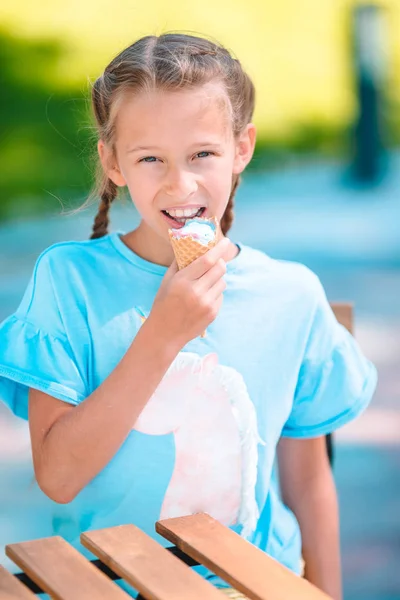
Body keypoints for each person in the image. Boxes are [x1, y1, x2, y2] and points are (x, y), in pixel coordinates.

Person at [0, 33, 377, 600]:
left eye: (203, 154)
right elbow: (58, 478)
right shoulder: (69, 281)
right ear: (112, 162)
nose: (181, 185)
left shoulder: (292, 295)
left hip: (251, 581)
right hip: (107, 581)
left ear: (242, 147)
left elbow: (308, 478)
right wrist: (161, 336)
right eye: (150, 158)